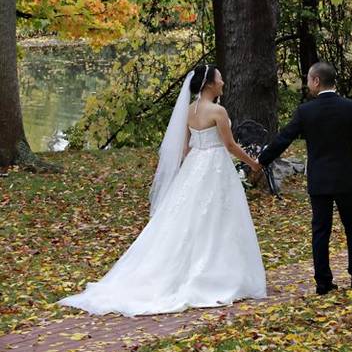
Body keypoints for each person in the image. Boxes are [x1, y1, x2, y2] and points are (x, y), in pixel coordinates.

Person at [57, 65, 267, 316]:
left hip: (195, 165)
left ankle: (204, 269)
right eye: (220, 78)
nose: (223, 82)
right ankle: (216, 275)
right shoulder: (218, 111)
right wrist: (253, 162)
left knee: (191, 219)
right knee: (216, 219)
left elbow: (187, 147)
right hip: (214, 167)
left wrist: (189, 168)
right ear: (210, 84)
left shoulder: (190, 111)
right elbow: (230, 144)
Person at [257, 61, 352, 294]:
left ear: (317, 81)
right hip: (345, 178)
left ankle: (323, 282)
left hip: (319, 179)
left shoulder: (306, 111)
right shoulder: (350, 107)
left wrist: (261, 160)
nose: (308, 84)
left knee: (321, 230)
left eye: (309, 79)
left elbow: (284, 138)